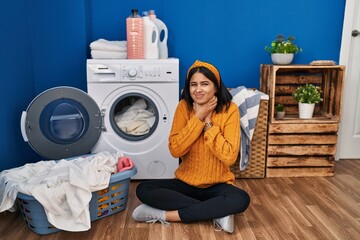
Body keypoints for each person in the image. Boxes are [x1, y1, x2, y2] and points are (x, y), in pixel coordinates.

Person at [132, 60, 250, 233]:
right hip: (185, 184)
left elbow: (229, 156)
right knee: (144, 189)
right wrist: (198, 117)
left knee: (241, 199)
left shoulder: (229, 109)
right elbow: (176, 150)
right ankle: (217, 213)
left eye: (205, 84)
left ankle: (165, 215)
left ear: (216, 87)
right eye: (193, 84)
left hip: (217, 185)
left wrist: (208, 123)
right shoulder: (184, 107)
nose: (198, 89)